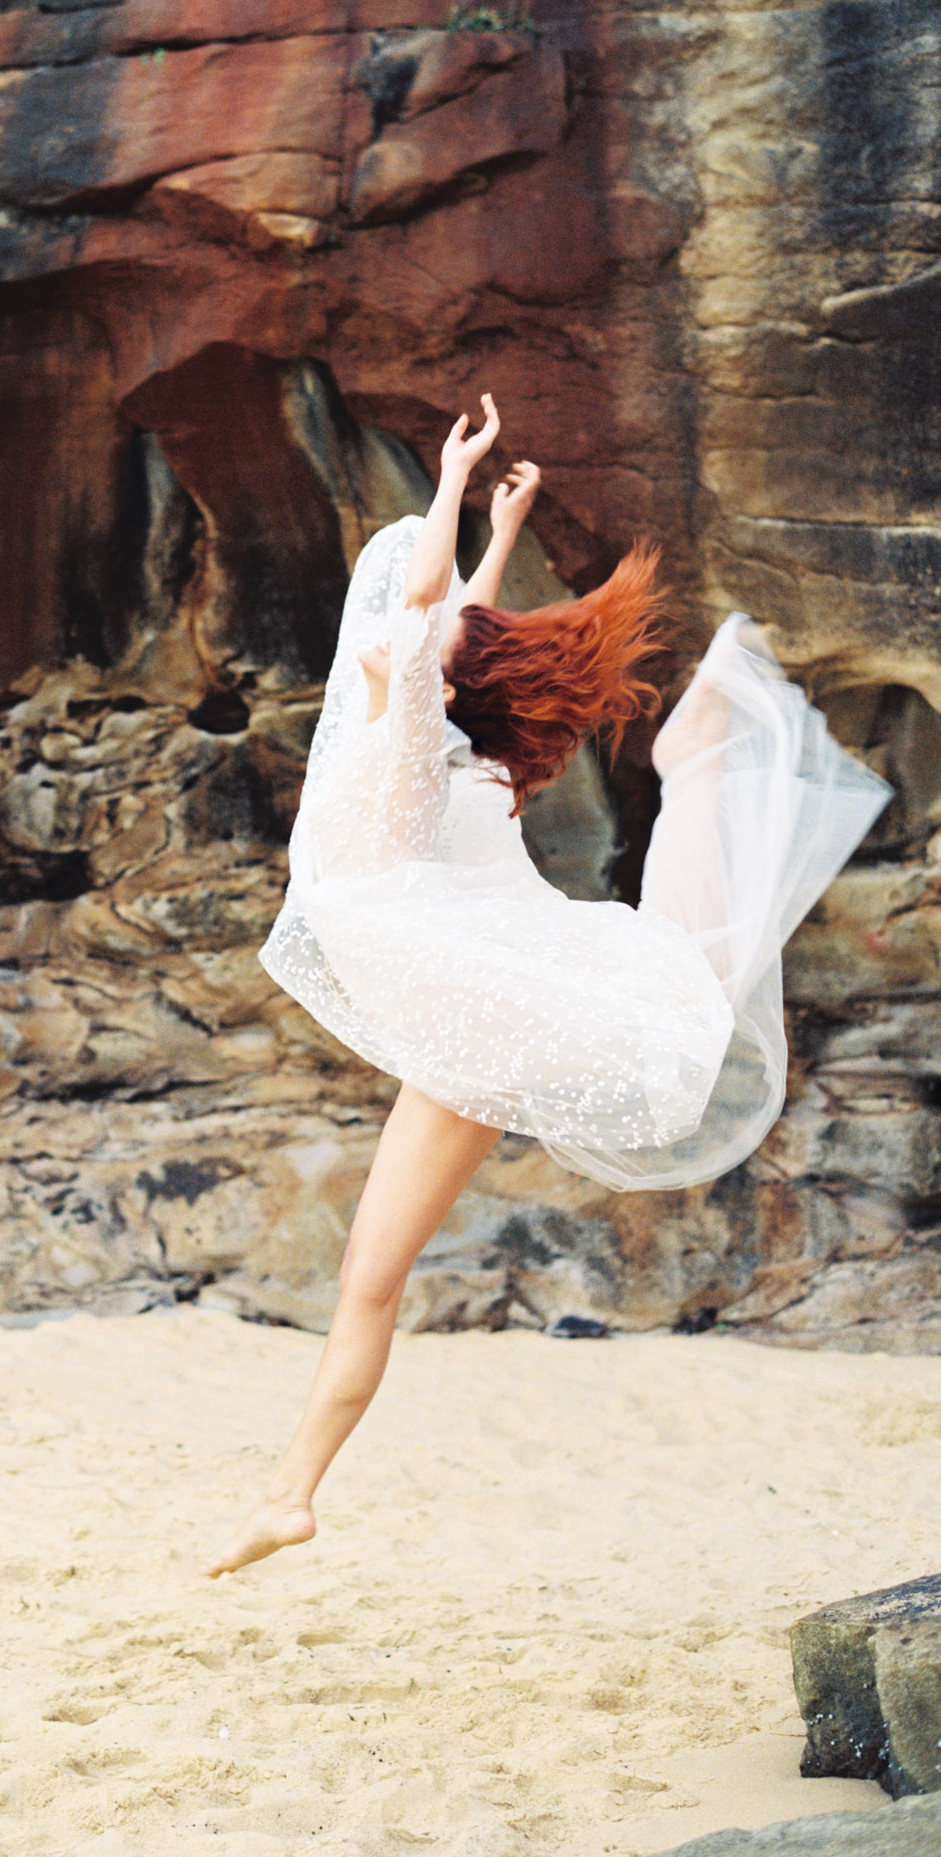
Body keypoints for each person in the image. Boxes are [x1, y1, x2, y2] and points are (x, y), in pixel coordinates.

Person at [204, 392, 890, 1579]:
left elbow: (430, 613)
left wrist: (458, 485)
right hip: (482, 1024)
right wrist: (501, 530)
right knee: (371, 1276)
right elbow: (451, 618)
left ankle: (698, 758)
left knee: (380, 1271)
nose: (391, 625)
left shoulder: (413, 732)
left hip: (490, 1003)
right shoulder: (448, 749)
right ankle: (286, 1495)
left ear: (439, 680)